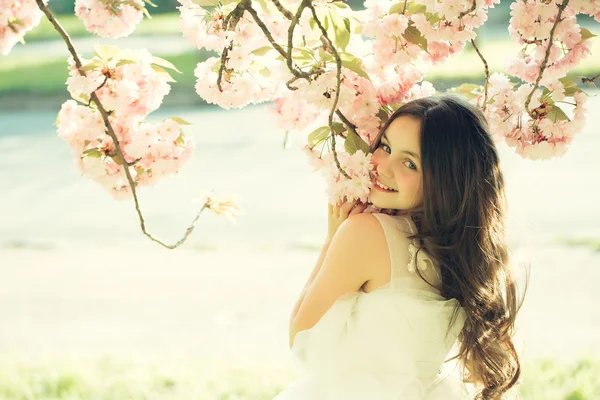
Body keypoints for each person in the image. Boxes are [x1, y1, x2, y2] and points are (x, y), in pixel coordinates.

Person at [274, 95, 526, 400]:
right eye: (385, 147)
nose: (384, 167)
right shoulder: (463, 253)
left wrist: (332, 240)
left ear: (444, 180)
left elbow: (304, 343)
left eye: (410, 163)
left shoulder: (364, 233)